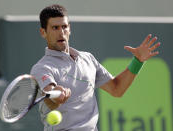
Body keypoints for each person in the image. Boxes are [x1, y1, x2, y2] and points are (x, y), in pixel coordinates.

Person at [30, 4, 160, 131]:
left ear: (69, 28)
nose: (61, 32)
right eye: (55, 28)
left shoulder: (88, 59)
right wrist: (57, 95)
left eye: (64, 27)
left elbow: (117, 89)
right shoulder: (42, 68)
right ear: (43, 32)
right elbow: (50, 99)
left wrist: (137, 61)